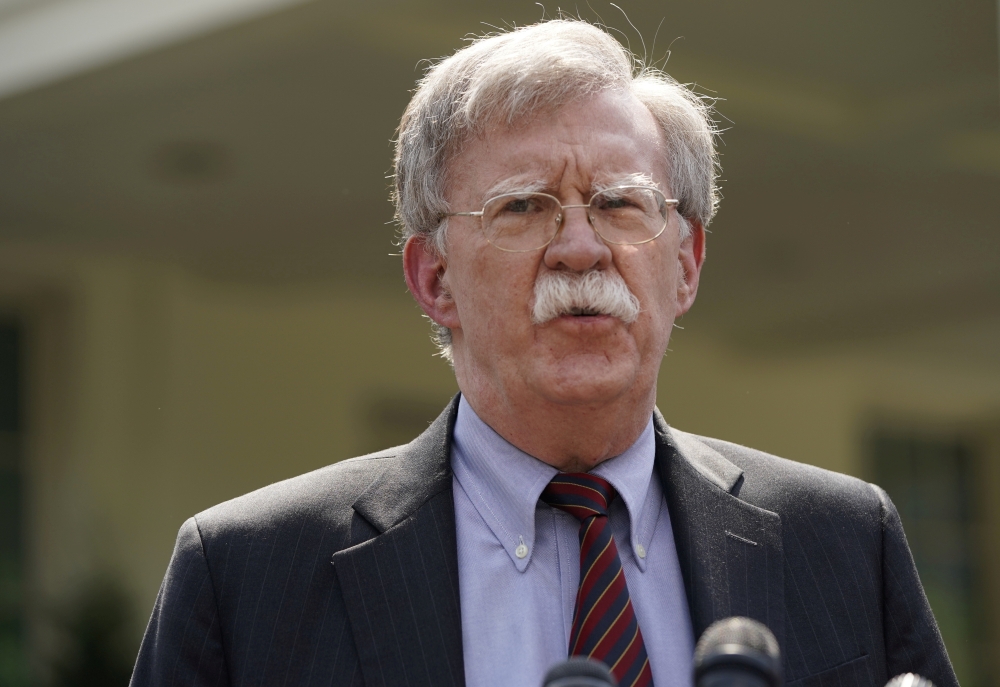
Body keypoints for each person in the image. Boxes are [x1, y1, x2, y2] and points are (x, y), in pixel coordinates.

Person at [130, 19, 958, 687]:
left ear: (687, 263)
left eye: (621, 204)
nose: (581, 248)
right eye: (522, 206)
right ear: (434, 276)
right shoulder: (247, 577)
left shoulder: (845, 541)